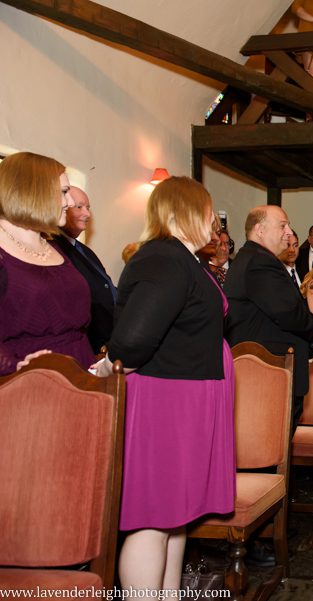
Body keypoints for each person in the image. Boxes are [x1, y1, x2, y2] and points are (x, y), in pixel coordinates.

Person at [91, 176, 235, 594]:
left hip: (187, 396)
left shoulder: (183, 259)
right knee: (153, 517)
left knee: (176, 517)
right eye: (207, 209)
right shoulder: (164, 258)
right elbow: (133, 340)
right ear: (184, 210)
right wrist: (108, 368)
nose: (213, 219)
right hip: (168, 401)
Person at [225, 206, 313, 426]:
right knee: (271, 452)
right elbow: (288, 311)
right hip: (271, 374)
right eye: (282, 225)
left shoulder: (250, 258)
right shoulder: (260, 261)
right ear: (260, 230)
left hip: (266, 375)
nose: (289, 232)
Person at [0, 151, 93, 376]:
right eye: (63, 193)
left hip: (80, 370)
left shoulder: (55, 246)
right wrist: (14, 366)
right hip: (27, 384)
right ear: (32, 192)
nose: (69, 202)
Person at [51, 186, 116, 355]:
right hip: (83, 348)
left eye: (88, 208)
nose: (87, 214)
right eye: (79, 207)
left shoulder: (84, 250)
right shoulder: (54, 250)